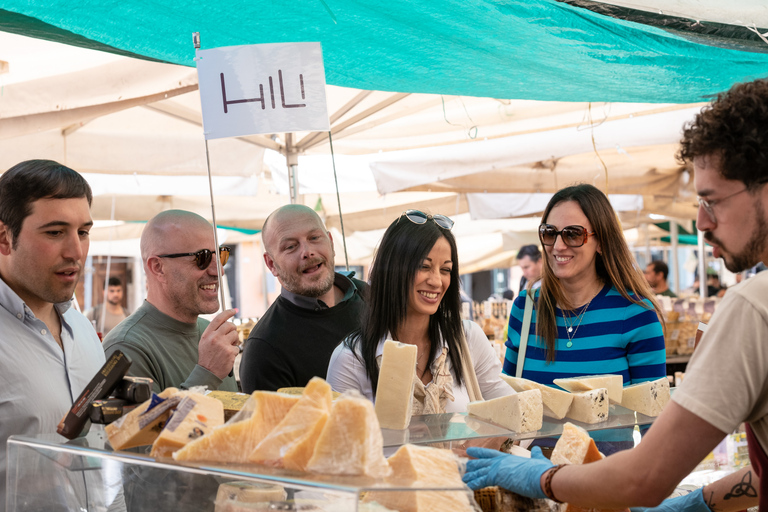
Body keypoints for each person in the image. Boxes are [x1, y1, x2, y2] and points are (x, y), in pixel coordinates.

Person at [464, 77, 768, 511]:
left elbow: (646, 469)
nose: (700, 222)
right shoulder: (526, 306)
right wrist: (698, 503)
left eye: (711, 199)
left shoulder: (748, 307)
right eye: (549, 233)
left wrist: (537, 476)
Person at [503, 184, 666, 454]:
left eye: (573, 234)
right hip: (530, 483)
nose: (558, 245)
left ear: (601, 240)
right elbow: (505, 402)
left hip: (605, 484)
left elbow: (654, 426)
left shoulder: (637, 314)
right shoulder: (526, 306)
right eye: (549, 233)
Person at [326, 210, 512, 413]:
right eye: (424, 266)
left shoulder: (467, 339)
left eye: (445, 270)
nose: (436, 281)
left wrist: (489, 440)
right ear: (393, 268)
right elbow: (343, 442)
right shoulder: (351, 359)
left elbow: (515, 412)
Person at [0, 160, 106, 511]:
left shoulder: (84, 331)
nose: (76, 251)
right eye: (55, 232)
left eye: (83, 232)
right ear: (4, 238)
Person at [103, 210, 238, 393]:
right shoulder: (125, 348)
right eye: (203, 258)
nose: (219, 271)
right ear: (158, 268)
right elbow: (147, 422)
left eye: (220, 256)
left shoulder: (211, 334)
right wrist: (208, 373)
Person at [240, 204, 367, 392]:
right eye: (290, 246)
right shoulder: (264, 349)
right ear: (271, 264)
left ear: (331, 243)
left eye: (314, 238)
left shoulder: (369, 296)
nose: (307, 251)